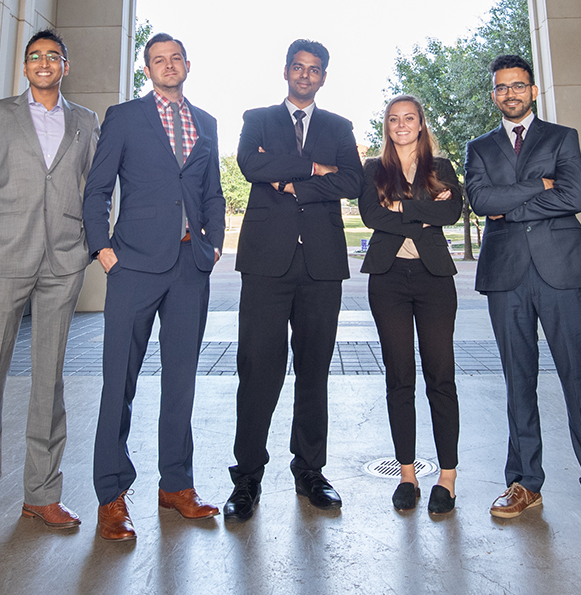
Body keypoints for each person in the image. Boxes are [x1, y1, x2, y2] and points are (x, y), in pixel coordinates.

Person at [0, 30, 98, 548]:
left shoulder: (84, 121)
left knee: (49, 381)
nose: (44, 62)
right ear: (25, 66)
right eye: (35, 56)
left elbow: (97, 188)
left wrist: (91, 244)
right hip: (6, 257)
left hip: (64, 261)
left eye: (54, 55)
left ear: (65, 65)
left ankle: (42, 493)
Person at [464, 54, 581, 533]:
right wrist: (538, 185)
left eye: (518, 86)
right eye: (501, 88)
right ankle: (524, 483)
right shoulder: (480, 146)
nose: (509, 93)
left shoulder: (562, 137)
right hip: (506, 274)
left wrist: (509, 202)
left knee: (580, 380)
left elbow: (573, 197)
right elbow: (479, 200)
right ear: (493, 94)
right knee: (519, 381)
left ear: (533, 90)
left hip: (562, 272)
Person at [83, 32, 225, 542]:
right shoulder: (123, 117)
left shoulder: (205, 122)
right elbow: (98, 188)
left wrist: (212, 246)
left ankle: (176, 485)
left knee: (181, 380)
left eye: (175, 59)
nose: (168, 66)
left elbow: (211, 193)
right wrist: (103, 249)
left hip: (190, 265)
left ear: (188, 63)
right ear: (149, 69)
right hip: (133, 267)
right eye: (158, 60)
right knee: (118, 381)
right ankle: (111, 494)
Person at [223, 39, 364, 521]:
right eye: (299, 68)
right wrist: (311, 168)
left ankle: (310, 470)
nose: (306, 75)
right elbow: (250, 165)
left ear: (324, 77)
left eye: (315, 70)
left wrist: (287, 182)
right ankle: (247, 477)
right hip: (266, 262)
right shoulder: (256, 119)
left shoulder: (339, 126)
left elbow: (351, 182)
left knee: (314, 371)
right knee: (257, 369)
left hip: (321, 265)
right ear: (286, 71)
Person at [358, 95, 464, 514]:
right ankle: (407, 474)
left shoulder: (441, 168)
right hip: (387, 280)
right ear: (386, 125)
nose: (401, 125)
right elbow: (371, 216)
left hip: (434, 278)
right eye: (393, 119)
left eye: (409, 118)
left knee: (441, 375)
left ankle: (448, 477)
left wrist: (400, 206)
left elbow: (452, 211)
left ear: (421, 124)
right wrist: (423, 212)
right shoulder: (373, 169)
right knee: (399, 375)